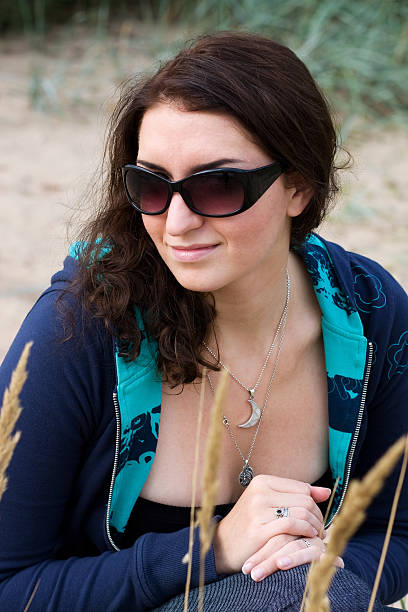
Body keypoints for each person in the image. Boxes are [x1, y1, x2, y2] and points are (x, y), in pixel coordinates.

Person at [0, 31, 407, 612]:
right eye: (152, 185)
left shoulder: (370, 313)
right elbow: (10, 586)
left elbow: (399, 530)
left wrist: (333, 571)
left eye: (217, 186)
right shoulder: (82, 329)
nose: (177, 223)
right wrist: (210, 550)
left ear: (299, 188)